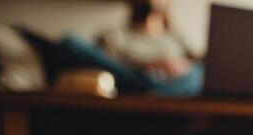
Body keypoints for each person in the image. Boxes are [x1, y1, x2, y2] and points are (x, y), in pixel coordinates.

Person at [60, 0, 203, 96]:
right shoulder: (115, 35)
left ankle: (157, 89)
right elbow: (105, 67)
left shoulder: (176, 37)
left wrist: (185, 65)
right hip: (132, 83)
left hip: (178, 86)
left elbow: (198, 65)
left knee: (201, 70)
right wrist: (149, 65)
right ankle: (153, 87)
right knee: (71, 43)